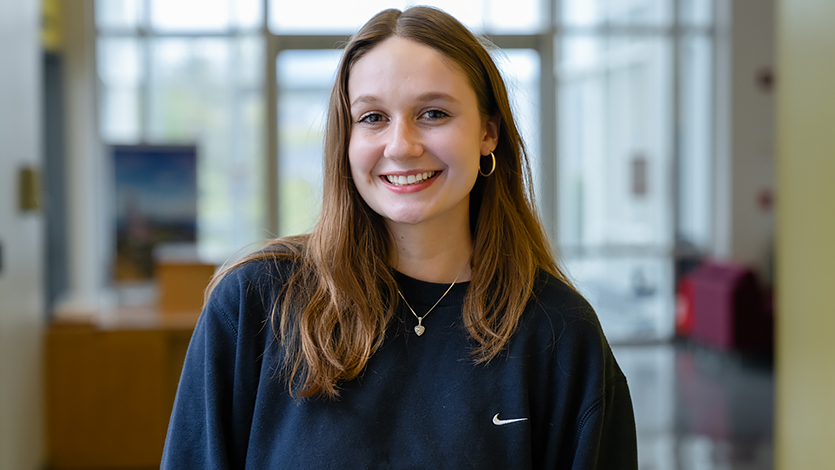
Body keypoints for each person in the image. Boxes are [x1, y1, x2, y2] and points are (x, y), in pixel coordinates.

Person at [162, 6, 637, 469]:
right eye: (372, 118)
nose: (401, 146)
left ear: (488, 132)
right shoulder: (255, 305)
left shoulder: (561, 333)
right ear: (345, 140)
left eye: (433, 113)